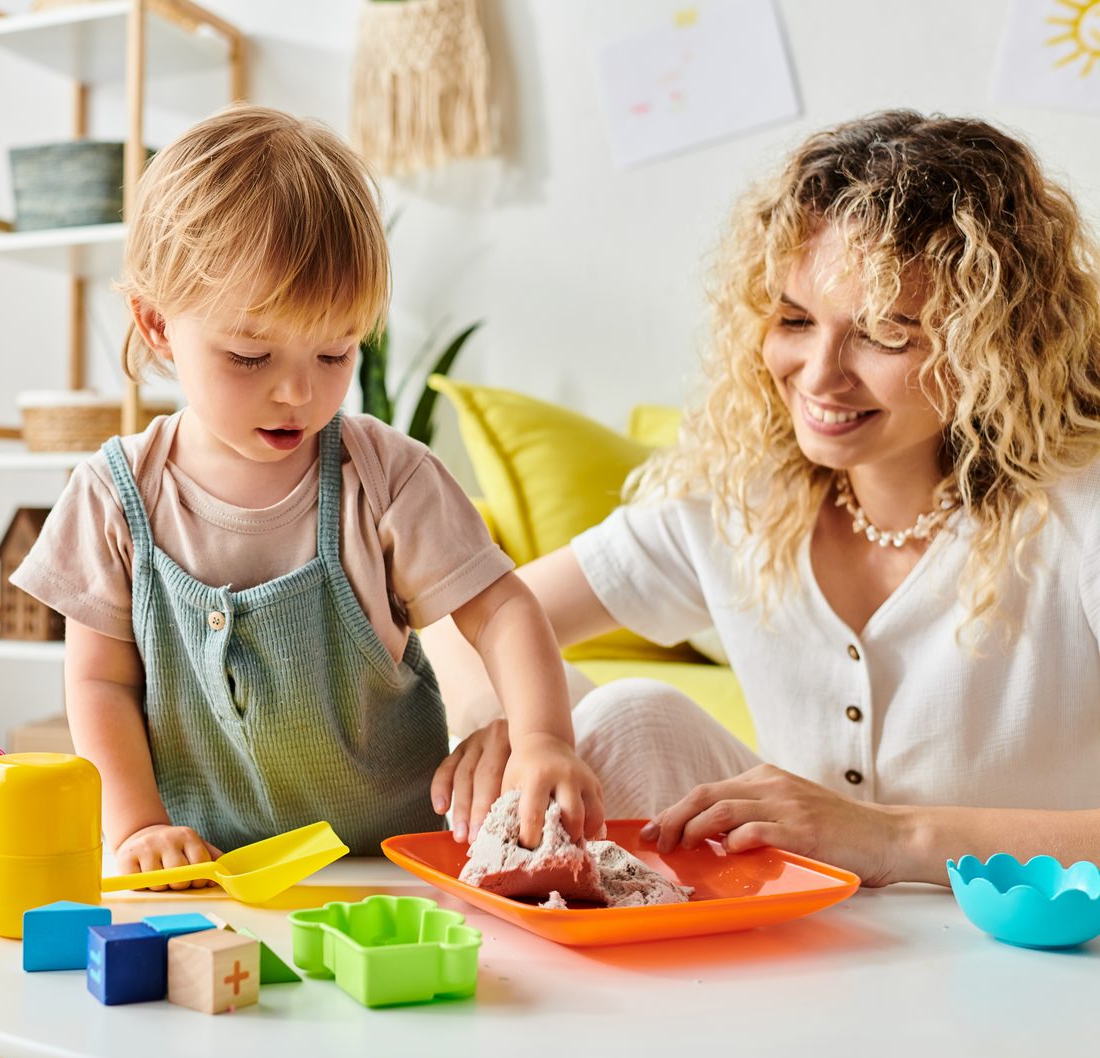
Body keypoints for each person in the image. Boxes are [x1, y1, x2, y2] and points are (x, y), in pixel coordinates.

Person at [423, 110, 1100, 886]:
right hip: (807, 931)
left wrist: (888, 838)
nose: (818, 375)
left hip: (1042, 952)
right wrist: (494, 720)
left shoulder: (1080, 509)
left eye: (883, 334)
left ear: (993, 341)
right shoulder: (739, 498)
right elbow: (464, 619)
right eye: (795, 320)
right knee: (627, 717)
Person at [12, 104, 601, 888]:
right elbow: (99, 683)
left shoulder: (383, 477)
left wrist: (542, 738)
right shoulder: (114, 499)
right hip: (210, 875)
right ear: (156, 325)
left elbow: (503, 609)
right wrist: (140, 826)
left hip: (391, 871)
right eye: (249, 356)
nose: (297, 390)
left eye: (335, 352)